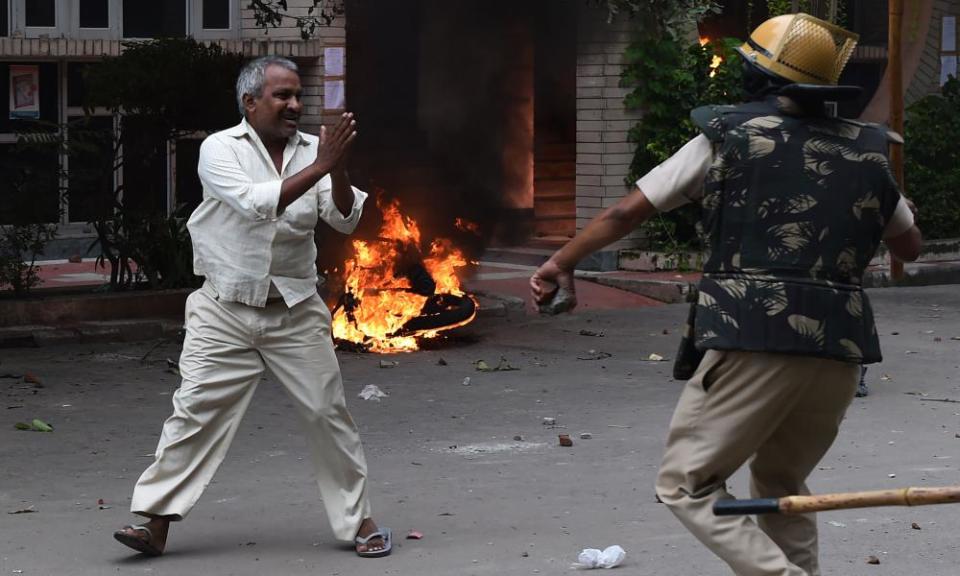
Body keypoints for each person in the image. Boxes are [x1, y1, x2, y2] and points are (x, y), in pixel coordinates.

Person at [530, 13, 922, 576]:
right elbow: (908, 245)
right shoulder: (868, 153)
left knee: (686, 485)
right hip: (840, 347)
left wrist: (560, 262)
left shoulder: (729, 136)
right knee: (783, 482)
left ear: (758, 78)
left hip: (753, 332)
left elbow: (626, 211)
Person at [113, 56, 391, 559]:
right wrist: (324, 166)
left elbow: (345, 219)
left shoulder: (315, 150)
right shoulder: (220, 149)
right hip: (223, 308)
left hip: (295, 308)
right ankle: (153, 524)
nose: (294, 105)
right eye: (282, 95)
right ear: (250, 102)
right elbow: (256, 203)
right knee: (195, 412)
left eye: (298, 96)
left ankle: (361, 521)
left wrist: (339, 167)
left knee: (329, 414)